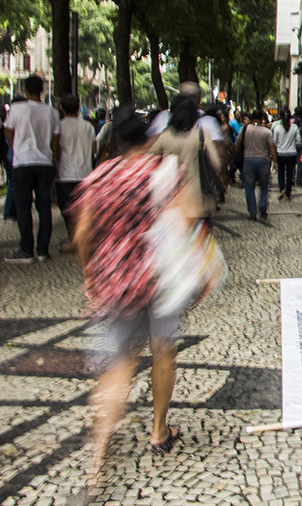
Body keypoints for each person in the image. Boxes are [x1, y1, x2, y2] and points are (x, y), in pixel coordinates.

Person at [70, 110, 200, 496]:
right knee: (164, 351)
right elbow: (188, 218)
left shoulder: (99, 177)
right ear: (146, 139)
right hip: (159, 277)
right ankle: (159, 430)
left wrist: (92, 273)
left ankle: (98, 459)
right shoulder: (164, 171)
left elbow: (81, 234)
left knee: (119, 365)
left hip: (117, 282)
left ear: (113, 143)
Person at [3, 75, 60, 262]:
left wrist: (16, 147)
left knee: (23, 207)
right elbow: (55, 140)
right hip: (44, 163)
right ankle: (43, 249)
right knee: (44, 206)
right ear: (42, 89)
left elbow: (8, 131)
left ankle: (26, 249)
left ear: (26, 90)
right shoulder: (52, 112)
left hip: (23, 163)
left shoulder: (17, 109)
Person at [150, 95, 223, 219]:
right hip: (197, 200)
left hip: (170, 200)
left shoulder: (165, 135)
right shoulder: (201, 134)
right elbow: (216, 164)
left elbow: (150, 160)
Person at [56, 94, 96, 251]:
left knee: (67, 210)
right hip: (85, 172)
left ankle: (73, 240)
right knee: (82, 209)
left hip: (65, 173)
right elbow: (94, 149)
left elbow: (56, 149)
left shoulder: (59, 126)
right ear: (79, 107)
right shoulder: (88, 126)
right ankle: (82, 239)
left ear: (62, 108)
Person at [241, 110, 277, 220]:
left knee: (249, 187)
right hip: (263, 161)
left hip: (248, 160)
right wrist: (275, 161)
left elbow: (238, 144)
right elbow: (271, 147)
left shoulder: (245, 130)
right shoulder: (266, 132)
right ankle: (262, 206)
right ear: (262, 118)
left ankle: (252, 212)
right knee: (264, 185)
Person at [271, 108, 299, 201]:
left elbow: (274, 142)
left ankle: (282, 188)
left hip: (281, 154)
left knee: (281, 172)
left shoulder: (277, 128)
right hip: (292, 154)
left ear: (280, 117)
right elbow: (298, 139)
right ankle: (288, 193)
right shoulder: (294, 127)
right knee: (290, 174)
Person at [293, 106, 302, 187]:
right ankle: (298, 181)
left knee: (292, 163)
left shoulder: (291, 121)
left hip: (293, 143)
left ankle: (292, 178)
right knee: (300, 163)